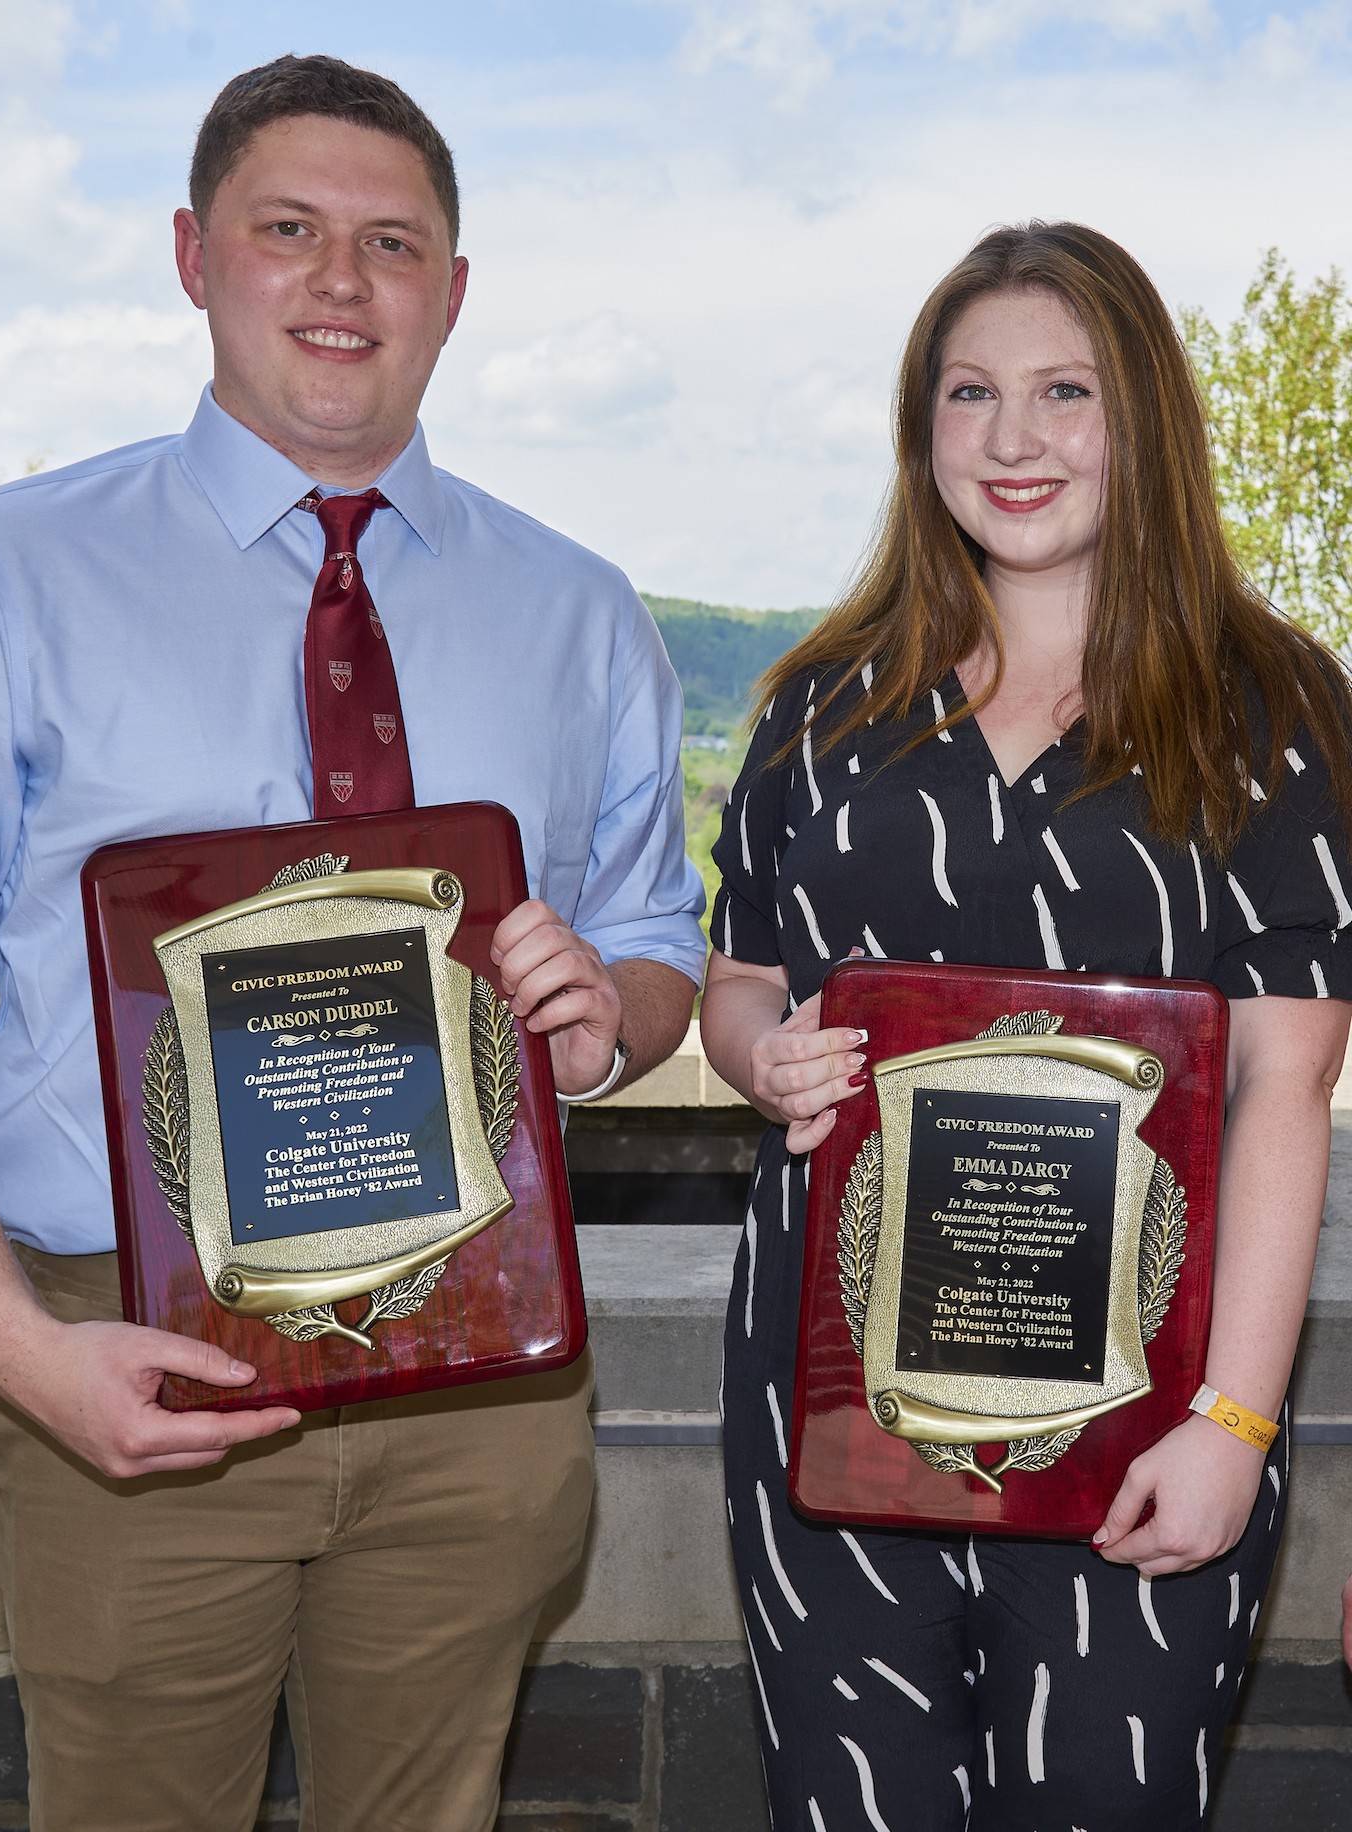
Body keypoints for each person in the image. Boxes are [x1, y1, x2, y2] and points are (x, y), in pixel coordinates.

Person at [0, 54, 703, 1832]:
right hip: (127, 1372)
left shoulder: (580, 613)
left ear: (453, 288)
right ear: (197, 256)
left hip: (481, 1379)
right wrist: (16, 1353)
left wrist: (609, 1014)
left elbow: (655, 943)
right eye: (291, 231)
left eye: (394, 242)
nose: (343, 281)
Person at [700, 221, 1352, 1829]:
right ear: (920, 431)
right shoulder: (823, 701)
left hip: (1150, 1416)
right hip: (832, 1403)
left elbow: (1287, 1082)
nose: (1012, 439)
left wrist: (1236, 1427)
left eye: (1065, 392)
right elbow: (736, 978)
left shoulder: (1273, 712)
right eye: (968, 393)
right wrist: (751, 1053)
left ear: (1144, 419)